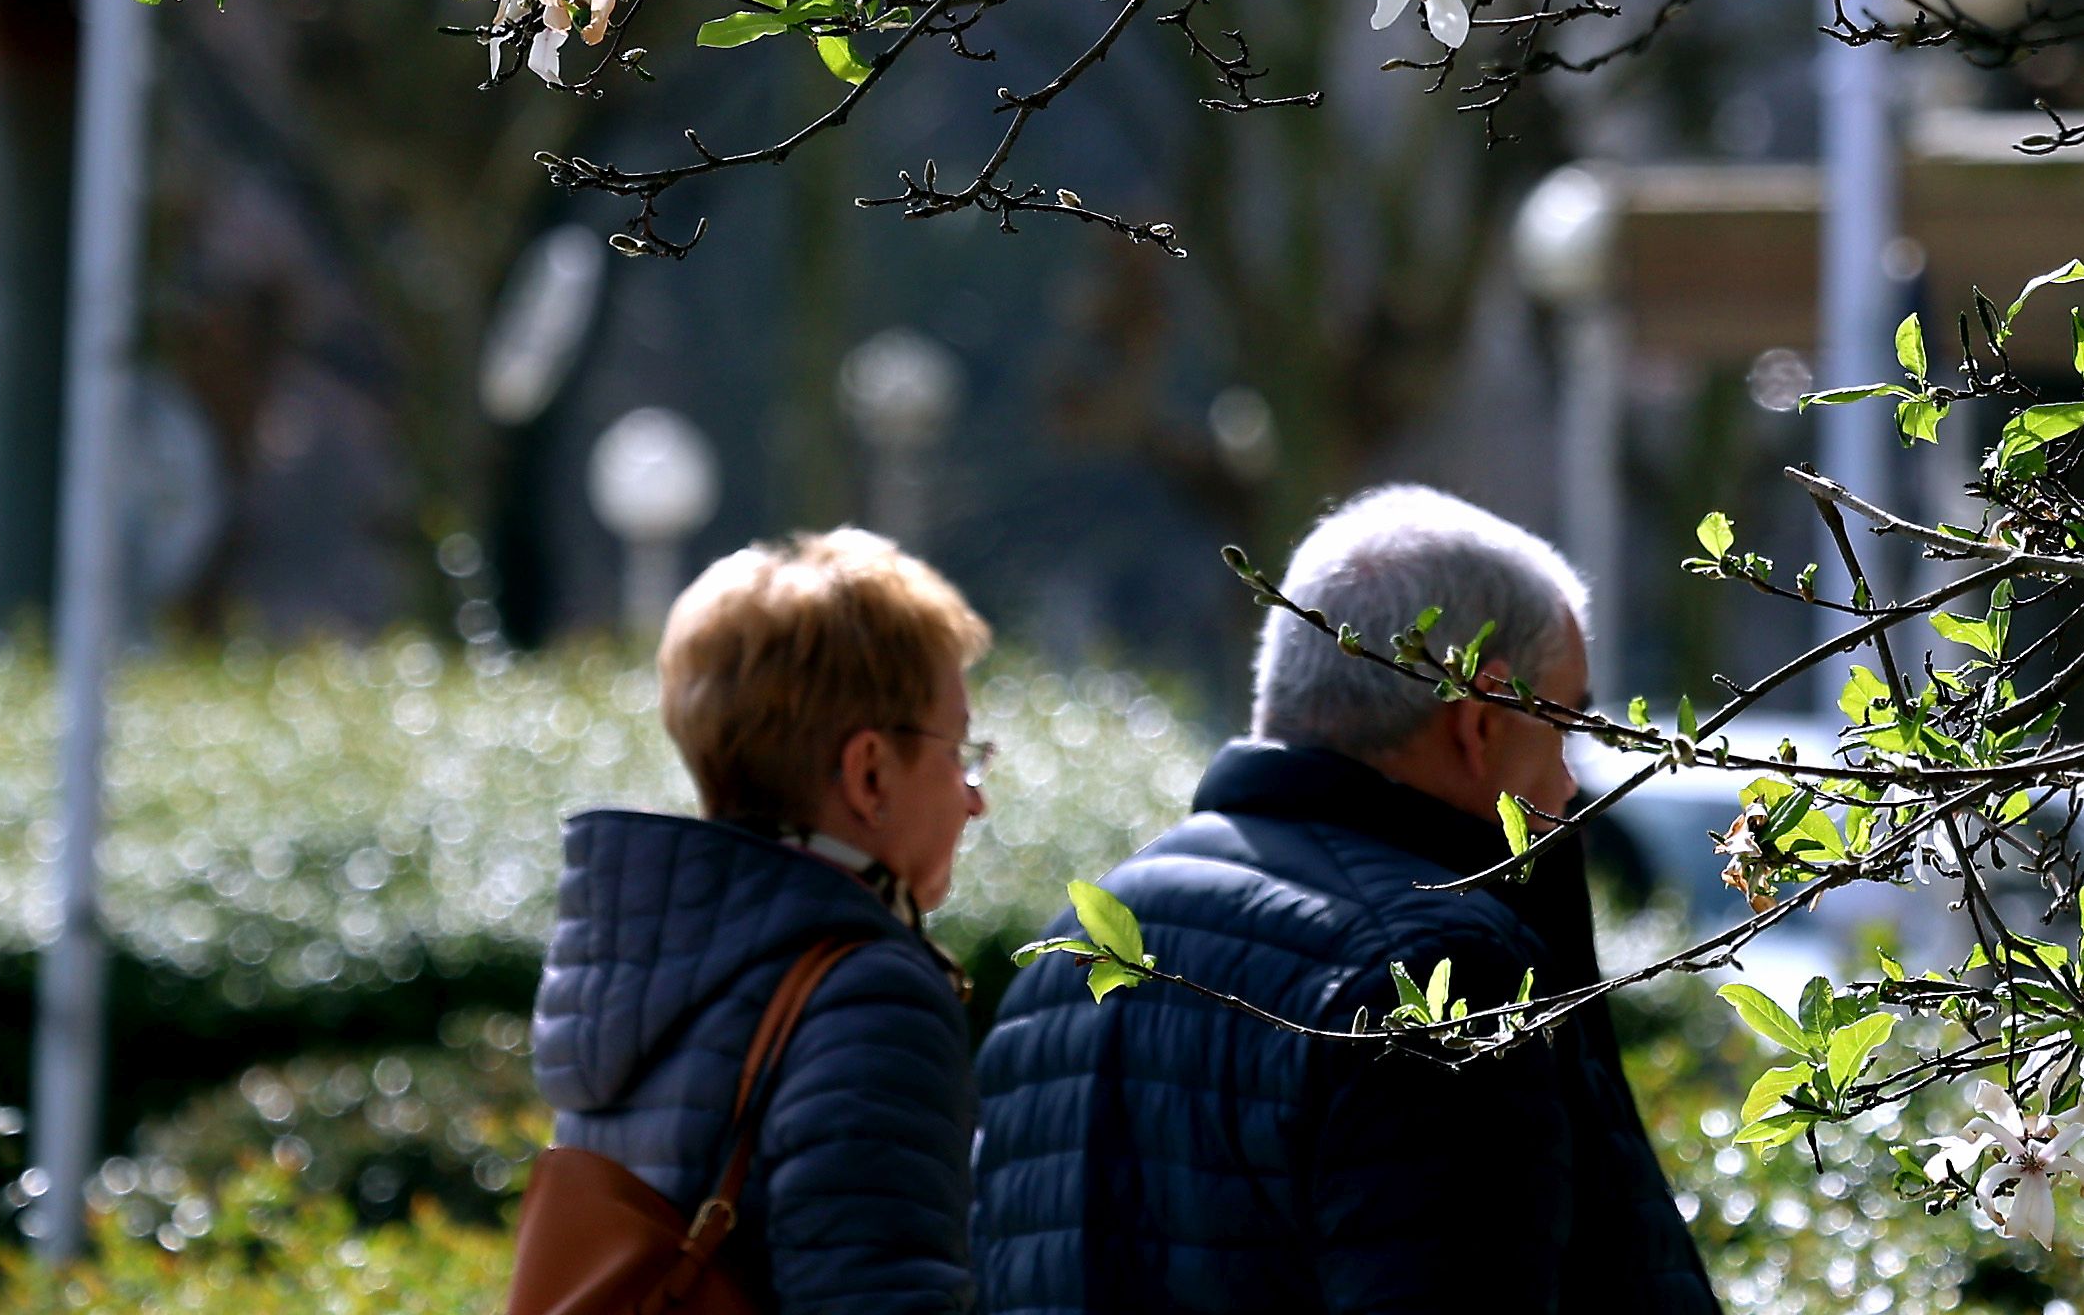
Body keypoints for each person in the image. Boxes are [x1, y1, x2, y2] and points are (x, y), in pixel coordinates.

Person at [971, 485, 1716, 1315]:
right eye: (1566, 722)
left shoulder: (1065, 959)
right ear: (1482, 719)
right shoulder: (1437, 974)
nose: (1572, 781)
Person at [533, 529, 993, 1314]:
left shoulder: (630, 964)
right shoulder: (869, 997)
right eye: (962, 753)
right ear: (870, 771)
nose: (975, 795)